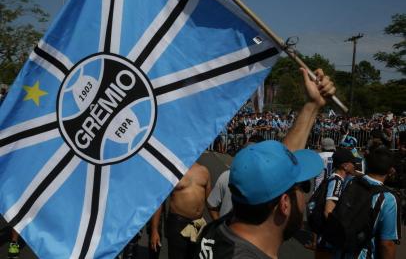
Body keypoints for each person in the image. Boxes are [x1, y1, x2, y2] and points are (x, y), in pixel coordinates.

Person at [193, 68, 336, 259]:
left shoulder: (220, 229)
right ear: (285, 204)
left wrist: (313, 105)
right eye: (302, 187)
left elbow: (279, 163)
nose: (305, 195)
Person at [334, 147, 402, 258]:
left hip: (341, 251)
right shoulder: (388, 198)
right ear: (391, 170)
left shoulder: (350, 181)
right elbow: (387, 244)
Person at [151, 162, 211, 259]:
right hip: (177, 222)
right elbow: (159, 201)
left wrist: (219, 223)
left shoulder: (204, 171)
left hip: (198, 223)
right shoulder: (173, 170)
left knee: (194, 256)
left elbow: (210, 202)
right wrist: (154, 230)